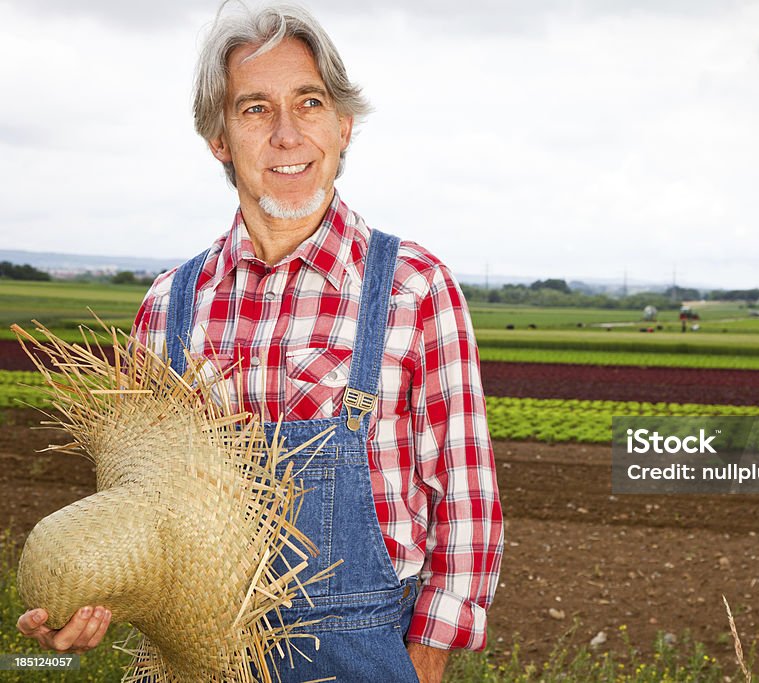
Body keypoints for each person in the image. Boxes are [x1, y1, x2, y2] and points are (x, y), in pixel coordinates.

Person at [17, 4, 503, 681]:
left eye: (309, 102)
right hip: (201, 659)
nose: (286, 134)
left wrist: (425, 656)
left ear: (344, 124)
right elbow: (146, 505)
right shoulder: (166, 308)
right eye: (254, 109)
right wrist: (98, 591)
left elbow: (466, 491)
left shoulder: (413, 289)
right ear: (219, 137)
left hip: (365, 653)